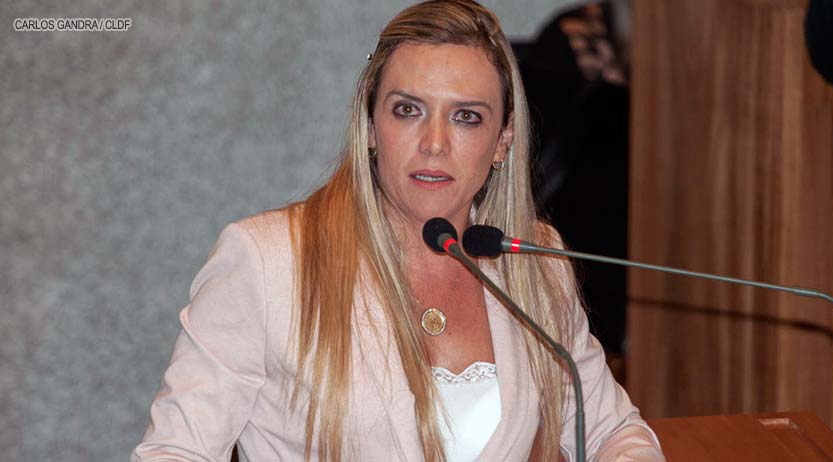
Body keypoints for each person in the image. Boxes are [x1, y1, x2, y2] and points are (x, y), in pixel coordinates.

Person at [131, 1, 665, 461]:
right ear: (370, 126)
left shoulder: (533, 261)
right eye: (408, 110)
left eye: (466, 117)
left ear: (503, 140)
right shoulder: (267, 261)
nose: (434, 143)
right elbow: (174, 452)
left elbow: (614, 431)